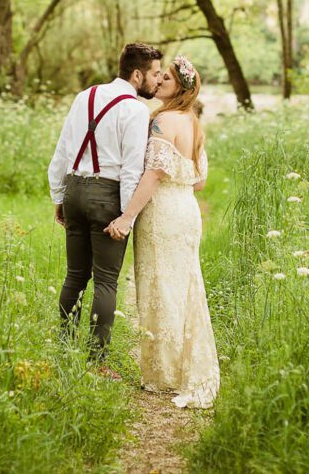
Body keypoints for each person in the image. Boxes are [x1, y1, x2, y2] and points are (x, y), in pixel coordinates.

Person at [105, 55, 220, 408]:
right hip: (186, 210)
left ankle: (165, 373)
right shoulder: (194, 123)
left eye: (166, 79)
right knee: (184, 285)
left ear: (179, 88)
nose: (158, 82)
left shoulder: (161, 122)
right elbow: (200, 182)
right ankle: (180, 365)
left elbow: (152, 175)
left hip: (162, 214)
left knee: (160, 286)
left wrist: (127, 217)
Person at [47, 43, 163, 367]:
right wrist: (127, 216)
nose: (157, 81)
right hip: (107, 197)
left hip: (74, 189)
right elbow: (130, 170)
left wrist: (60, 198)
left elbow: (62, 152)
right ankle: (96, 363)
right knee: (106, 281)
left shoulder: (84, 96)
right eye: (154, 74)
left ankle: (65, 352)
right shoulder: (137, 110)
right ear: (137, 74)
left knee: (74, 276)